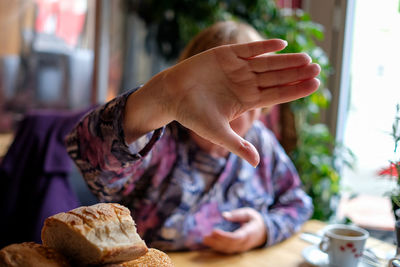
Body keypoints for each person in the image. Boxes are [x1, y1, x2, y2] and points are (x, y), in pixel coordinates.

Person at [66, 20, 320, 253]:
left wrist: (264, 228)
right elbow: (93, 159)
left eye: (243, 103)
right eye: (217, 98)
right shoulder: (163, 137)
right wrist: (164, 95)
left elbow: (297, 202)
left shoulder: (262, 143)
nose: (225, 114)